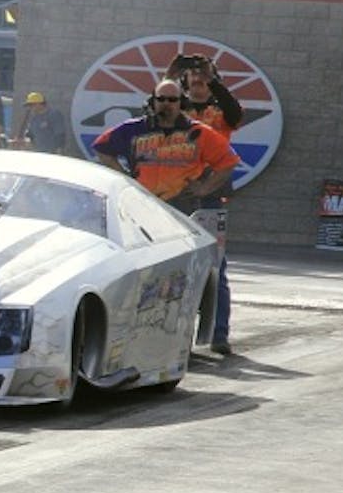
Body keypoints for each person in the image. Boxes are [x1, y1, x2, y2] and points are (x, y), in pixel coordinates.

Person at [91, 78, 240, 354]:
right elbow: (101, 147)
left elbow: (229, 162)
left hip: (188, 210)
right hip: (146, 211)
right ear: (153, 101)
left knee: (213, 270)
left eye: (172, 100)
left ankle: (219, 334)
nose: (167, 105)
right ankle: (146, 333)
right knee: (148, 273)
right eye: (162, 99)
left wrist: (206, 187)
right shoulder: (133, 130)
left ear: (181, 103)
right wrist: (123, 178)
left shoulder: (200, 132)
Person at [167, 53, 244, 355]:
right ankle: (176, 335)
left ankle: (218, 333)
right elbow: (154, 106)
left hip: (212, 194)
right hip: (176, 193)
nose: (198, 81)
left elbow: (236, 115)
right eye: (193, 77)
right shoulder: (177, 108)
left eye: (204, 78)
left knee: (215, 264)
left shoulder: (221, 109)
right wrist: (172, 71)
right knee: (173, 264)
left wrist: (214, 79)